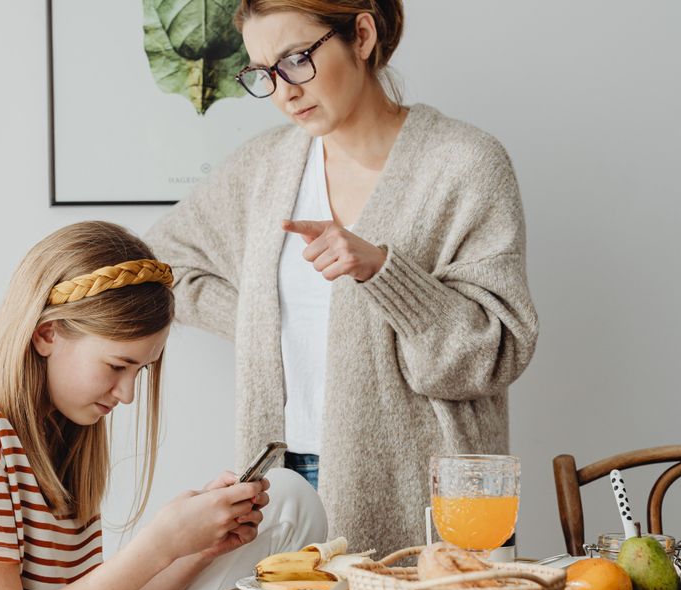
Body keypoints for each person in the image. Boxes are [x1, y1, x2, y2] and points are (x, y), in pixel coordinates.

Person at [146, 0, 538, 558]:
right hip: (283, 480)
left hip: (421, 490)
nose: (283, 91)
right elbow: (162, 263)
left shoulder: (464, 163)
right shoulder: (265, 167)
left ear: (360, 34)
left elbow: (493, 354)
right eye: (263, 72)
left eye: (296, 59)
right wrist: (266, 321)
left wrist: (383, 271)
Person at [0, 221, 327, 590]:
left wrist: (195, 549)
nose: (127, 394)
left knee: (289, 500)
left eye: (139, 371)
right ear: (47, 334)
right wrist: (160, 543)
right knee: (289, 507)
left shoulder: (58, 433)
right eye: (118, 366)